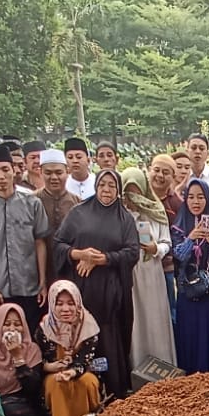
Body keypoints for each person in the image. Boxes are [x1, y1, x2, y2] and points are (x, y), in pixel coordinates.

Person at [54, 169, 141, 399]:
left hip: (110, 293)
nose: (106, 190)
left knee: (108, 338)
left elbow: (132, 252)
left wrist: (103, 259)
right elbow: (58, 245)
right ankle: (80, 393)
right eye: (103, 184)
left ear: (118, 190)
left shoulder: (125, 218)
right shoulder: (78, 213)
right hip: (82, 290)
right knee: (81, 335)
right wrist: (79, 254)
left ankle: (114, 391)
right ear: (96, 186)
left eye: (112, 186)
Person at [0, 144, 51, 333]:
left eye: (5, 169)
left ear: (14, 170)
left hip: (29, 287)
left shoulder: (32, 203)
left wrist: (42, 282)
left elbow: (40, 243)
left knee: (31, 339)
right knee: (0, 340)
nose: (1, 176)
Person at [169, 178, 209, 375]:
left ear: (207, 198)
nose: (196, 202)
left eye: (201, 197)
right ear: (186, 199)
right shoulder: (179, 226)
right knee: (190, 336)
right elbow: (177, 255)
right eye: (191, 197)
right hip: (189, 292)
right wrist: (191, 238)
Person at [120, 166, 177, 367]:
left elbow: (167, 242)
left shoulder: (155, 211)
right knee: (136, 321)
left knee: (155, 319)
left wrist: (155, 248)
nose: (134, 196)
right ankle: (137, 366)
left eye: (137, 191)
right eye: (129, 191)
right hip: (130, 275)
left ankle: (161, 364)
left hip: (152, 273)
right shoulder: (119, 214)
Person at [38, 280, 105, 416]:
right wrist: (49, 366)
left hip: (81, 370)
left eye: (71, 303)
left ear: (78, 303)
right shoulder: (44, 328)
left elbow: (86, 358)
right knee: (55, 383)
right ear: (52, 304)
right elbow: (38, 360)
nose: (65, 309)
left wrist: (72, 371)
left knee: (87, 382)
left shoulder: (88, 326)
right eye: (59, 303)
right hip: (54, 372)